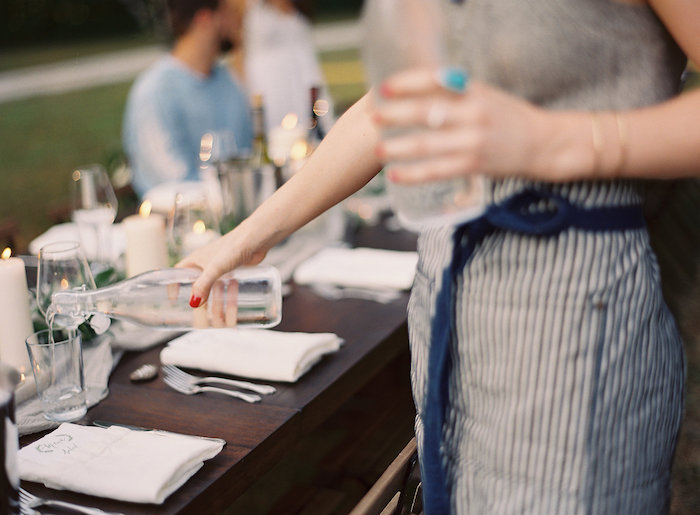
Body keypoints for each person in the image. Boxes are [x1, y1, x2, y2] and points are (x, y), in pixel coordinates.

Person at [179, 0, 700, 512]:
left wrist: (551, 142)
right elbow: (387, 108)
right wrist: (248, 236)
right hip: (448, 311)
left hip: (577, 320)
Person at [122, 0, 252, 197]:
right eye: (230, 13)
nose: (240, 21)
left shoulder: (228, 81)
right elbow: (171, 183)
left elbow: (248, 156)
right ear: (205, 19)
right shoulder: (155, 92)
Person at [237, 0, 333, 135]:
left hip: (299, 83)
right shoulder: (247, 6)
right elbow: (237, 52)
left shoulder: (296, 6)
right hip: (268, 87)